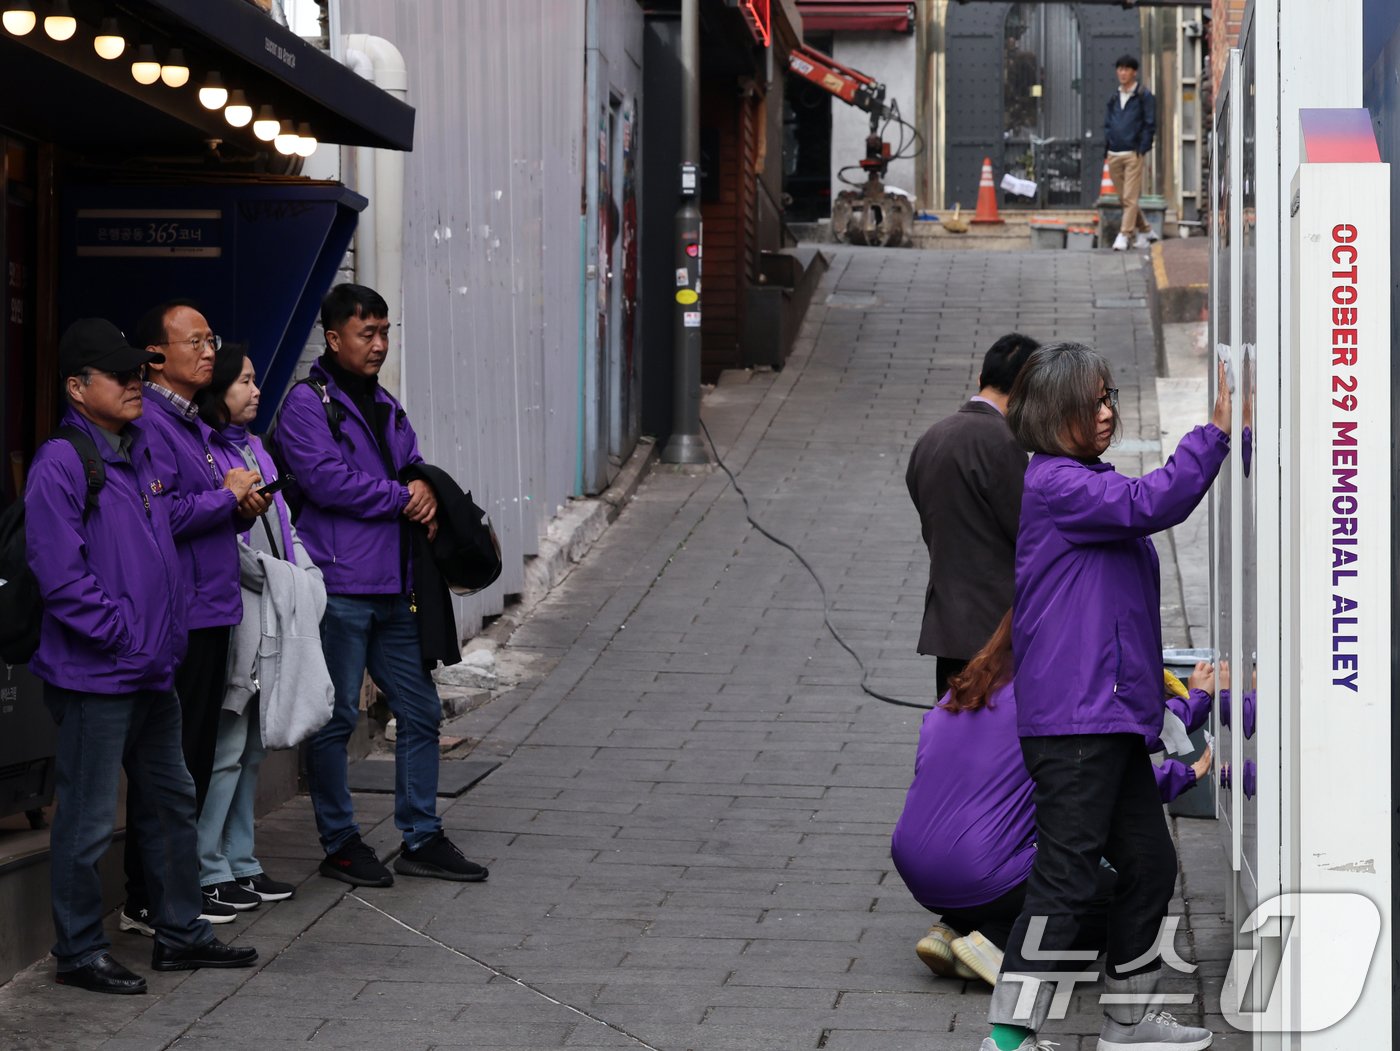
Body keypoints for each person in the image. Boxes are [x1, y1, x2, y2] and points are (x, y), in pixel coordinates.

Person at [980, 344, 1229, 1051]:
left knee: (1150, 864)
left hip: (1107, 720)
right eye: (1094, 401)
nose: (1109, 411)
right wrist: (1211, 433)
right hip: (1077, 724)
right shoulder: (1061, 484)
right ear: (1055, 413)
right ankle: (1006, 1040)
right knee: (1065, 877)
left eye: (1110, 396)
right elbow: (1157, 501)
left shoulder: (1081, 482)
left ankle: (1125, 1020)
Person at [26, 319, 256, 994]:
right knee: (90, 819)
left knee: (174, 801)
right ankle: (77, 950)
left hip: (153, 669)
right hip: (98, 674)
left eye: (137, 372)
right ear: (76, 387)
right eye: (118, 375)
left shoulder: (138, 451)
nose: (134, 383)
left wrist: (166, 635)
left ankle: (182, 933)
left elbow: (168, 539)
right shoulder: (61, 463)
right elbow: (62, 579)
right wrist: (128, 635)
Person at [273, 283, 489, 887]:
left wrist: (420, 488)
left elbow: (412, 466)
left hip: (396, 588)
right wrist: (403, 496)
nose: (378, 344)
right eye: (366, 334)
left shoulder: (386, 403)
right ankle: (340, 842)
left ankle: (421, 834)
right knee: (337, 716)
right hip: (339, 587)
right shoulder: (307, 405)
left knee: (420, 711)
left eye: (385, 332)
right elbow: (326, 481)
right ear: (334, 337)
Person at [892, 611, 1218, 988]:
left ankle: (951, 929)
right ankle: (998, 944)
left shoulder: (962, 690)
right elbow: (1112, 770)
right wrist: (1198, 703)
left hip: (916, 865)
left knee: (1017, 840)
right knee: (1109, 894)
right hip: (979, 871)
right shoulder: (1055, 698)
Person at [119, 300, 268, 932]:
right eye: (197, 341)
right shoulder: (150, 422)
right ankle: (148, 896)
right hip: (183, 612)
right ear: (156, 355)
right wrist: (223, 498)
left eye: (212, 339)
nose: (210, 351)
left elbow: (203, 508)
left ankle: (178, 890)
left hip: (213, 606)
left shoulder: (194, 423)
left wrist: (240, 507)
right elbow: (165, 516)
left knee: (198, 759)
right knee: (171, 764)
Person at [194, 344, 328, 912]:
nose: (254, 390)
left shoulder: (256, 448)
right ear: (217, 389)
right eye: (244, 381)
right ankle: (207, 868)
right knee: (226, 746)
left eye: (254, 379)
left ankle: (242, 862)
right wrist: (281, 578)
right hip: (241, 612)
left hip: (278, 605)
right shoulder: (206, 451)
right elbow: (229, 543)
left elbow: (284, 522)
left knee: (252, 747)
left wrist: (308, 576)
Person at [906, 333, 1038, 697]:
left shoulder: (931, 438)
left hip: (947, 627)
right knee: (994, 746)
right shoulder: (1004, 444)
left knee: (953, 738)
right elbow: (1028, 531)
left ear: (981, 379)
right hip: (995, 634)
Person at [1104, 54, 1158, 252]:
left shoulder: (1144, 96)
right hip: (1114, 153)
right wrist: (1107, 144)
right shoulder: (1114, 97)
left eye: (1127, 69)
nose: (1122, 73)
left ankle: (1125, 235)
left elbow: (1150, 124)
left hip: (1133, 153)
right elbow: (1108, 123)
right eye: (1120, 69)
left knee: (1130, 197)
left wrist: (1142, 148)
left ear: (1134, 72)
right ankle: (1146, 230)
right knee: (1124, 198)